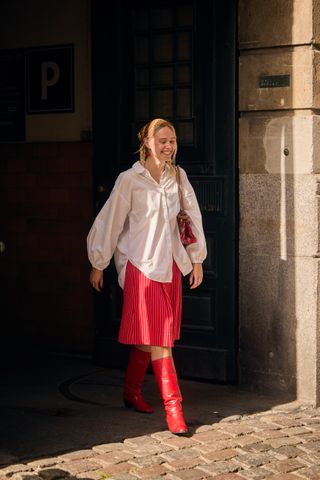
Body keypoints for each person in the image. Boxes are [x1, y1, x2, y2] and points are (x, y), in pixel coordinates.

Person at [87, 118, 207, 435]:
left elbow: (190, 219)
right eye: (162, 140)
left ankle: (131, 392)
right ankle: (174, 408)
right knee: (161, 341)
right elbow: (110, 219)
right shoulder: (130, 180)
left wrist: (196, 259)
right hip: (141, 266)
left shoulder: (178, 177)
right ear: (147, 142)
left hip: (169, 267)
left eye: (172, 141)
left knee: (147, 338)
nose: (168, 146)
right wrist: (99, 261)